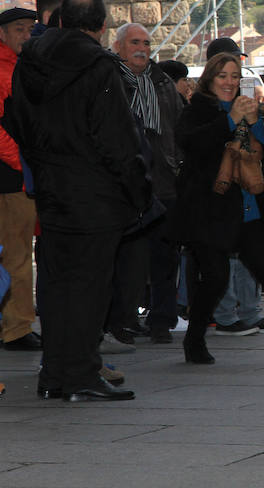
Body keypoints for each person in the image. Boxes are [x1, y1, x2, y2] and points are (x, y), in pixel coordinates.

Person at [7, 0, 149, 400]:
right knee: (90, 287)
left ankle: (54, 374)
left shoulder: (28, 61)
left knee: (55, 284)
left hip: (50, 190)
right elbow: (118, 141)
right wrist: (138, 191)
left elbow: (14, 117)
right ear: (102, 28)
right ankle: (82, 373)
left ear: (60, 20)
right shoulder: (99, 68)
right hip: (95, 195)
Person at [172, 52, 264, 364]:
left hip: (250, 209)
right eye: (223, 75)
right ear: (210, 78)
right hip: (210, 211)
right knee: (216, 278)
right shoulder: (198, 109)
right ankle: (194, 341)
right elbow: (190, 143)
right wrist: (230, 120)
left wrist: (256, 122)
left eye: (234, 76)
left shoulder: (254, 109)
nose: (229, 81)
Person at [108, 22, 184, 346]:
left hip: (164, 179)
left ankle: (162, 320)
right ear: (119, 47)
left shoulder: (162, 81)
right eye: (135, 42)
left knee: (166, 255)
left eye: (147, 43)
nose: (142, 48)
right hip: (128, 182)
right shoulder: (109, 79)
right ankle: (123, 321)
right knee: (128, 257)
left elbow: (179, 126)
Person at [0, 7, 41, 351]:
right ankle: (16, 328)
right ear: (2, 33)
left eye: (30, 29)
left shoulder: (19, 67)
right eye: (18, 29)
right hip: (11, 179)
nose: (26, 35)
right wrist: (21, 165)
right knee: (17, 254)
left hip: (14, 175)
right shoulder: (6, 70)